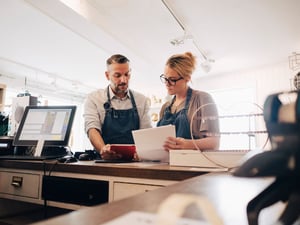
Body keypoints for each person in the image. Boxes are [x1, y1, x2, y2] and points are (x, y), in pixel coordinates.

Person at [83, 54, 152, 159]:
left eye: (127, 74)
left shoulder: (141, 100)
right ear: (107, 75)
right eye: (117, 75)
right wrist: (103, 150)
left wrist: (142, 153)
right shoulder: (94, 98)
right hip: (104, 161)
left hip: (134, 162)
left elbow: (146, 132)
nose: (124, 80)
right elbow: (92, 129)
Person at [157, 52, 220, 151]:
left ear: (187, 78)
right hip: (165, 165)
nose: (167, 84)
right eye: (165, 78)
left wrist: (187, 144)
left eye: (172, 80)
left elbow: (214, 142)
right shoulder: (165, 107)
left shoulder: (202, 99)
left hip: (192, 164)